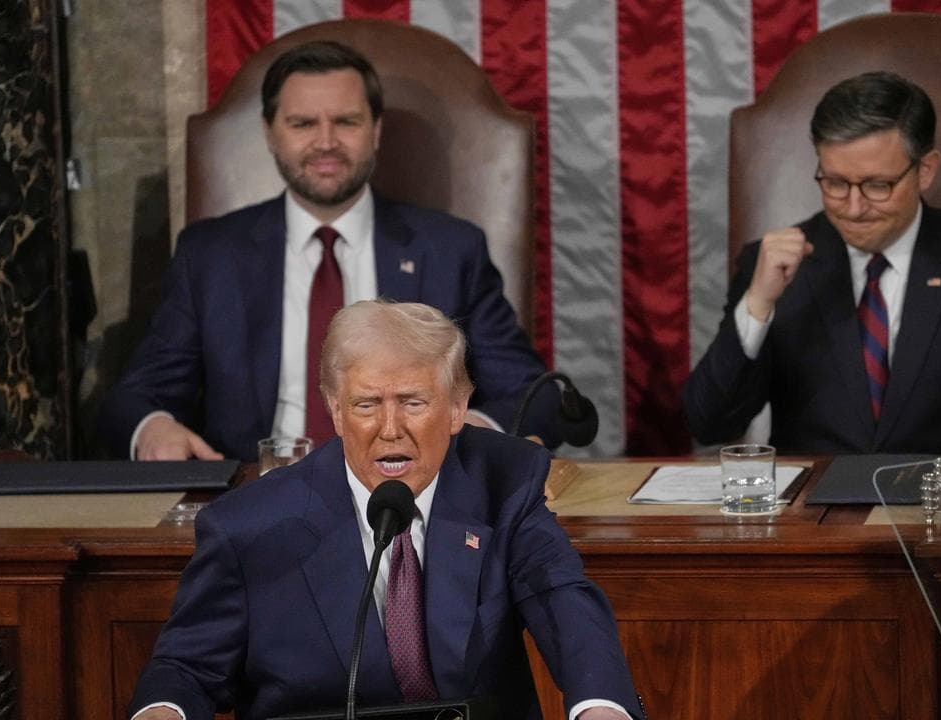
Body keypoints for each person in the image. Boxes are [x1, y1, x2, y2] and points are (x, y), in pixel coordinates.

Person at [129, 300, 643, 720]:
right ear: (333, 408)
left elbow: (564, 605)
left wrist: (602, 707)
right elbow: (186, 671)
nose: (390, 428)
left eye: (414, 402)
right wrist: (164, 711)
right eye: (366, 404)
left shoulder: (505, 481)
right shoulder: (249, 525)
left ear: (459, 407)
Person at [98, 40, 558, 463]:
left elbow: (534, 396)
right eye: (302, 123)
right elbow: (136, 396)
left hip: (409, 495)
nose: (325, 142)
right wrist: (154, 428)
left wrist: (471, 430)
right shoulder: (210, 255)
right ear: (270, 133)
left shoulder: (450, 250)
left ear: (375, 130)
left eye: (346, 121)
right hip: (257, 503)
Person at [684, 71, 941, 455]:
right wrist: (758, 304)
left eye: (878, 185)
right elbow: (709, 423)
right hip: (816, 520)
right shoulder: (775, 267)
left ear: (925, 171)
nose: (855, 207)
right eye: (836, 183)